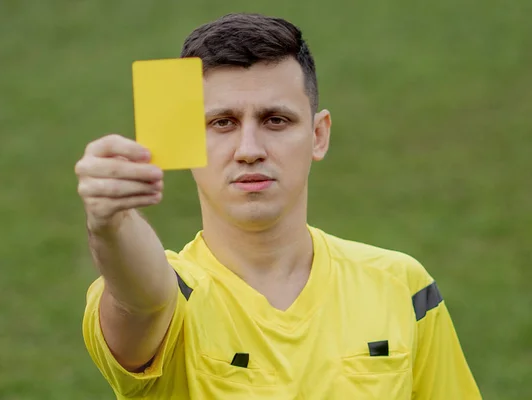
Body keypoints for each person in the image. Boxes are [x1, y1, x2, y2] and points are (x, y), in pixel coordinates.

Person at [76, 13, 481, 400]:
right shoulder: (174, 296)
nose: (249, 150)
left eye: (275, 120)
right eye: (223, 122)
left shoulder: (403, 286)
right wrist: (109, 222)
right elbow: (140, 299)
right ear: (187, 137)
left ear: (318, 135)